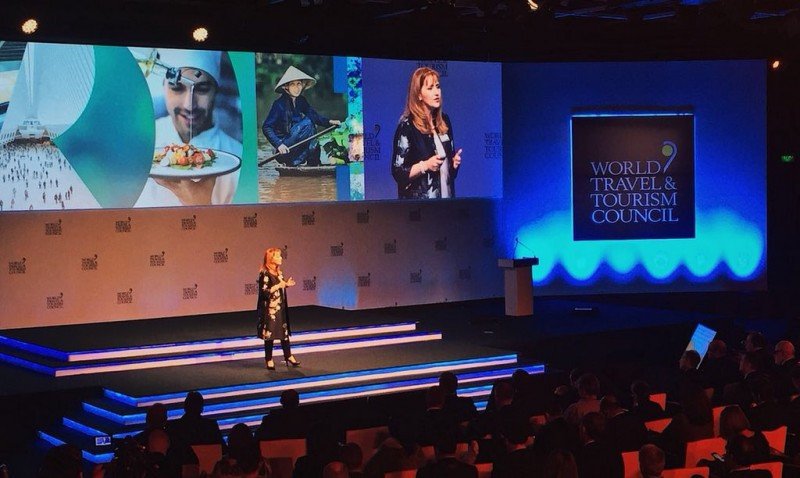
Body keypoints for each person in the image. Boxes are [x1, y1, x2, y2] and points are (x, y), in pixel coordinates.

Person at [135, 48, 242, 207]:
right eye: (177, 88)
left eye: (202, 89)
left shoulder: (238, 156)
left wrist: (201, 205)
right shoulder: (138, 144)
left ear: (216, 91)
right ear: (163, 87)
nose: (189, 105)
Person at [391, 67, 462, 199]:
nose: (436, 93)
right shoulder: (407, 126)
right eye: (430, 88)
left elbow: (449, 174)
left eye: (438, 87)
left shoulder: (444, 121)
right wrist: (426, 165)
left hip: (447, 203)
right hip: (421, 208)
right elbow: (398, 172)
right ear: (419, 95)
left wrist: (453, 164)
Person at [262, 65, 341, 167]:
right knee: (308, 122)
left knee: (312, 126)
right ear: (286, 87)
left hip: (296, 142)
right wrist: (279, 144)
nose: (297, 88)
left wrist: (329, 122)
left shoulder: (301, 101)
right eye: (293, 84)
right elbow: (266, 127)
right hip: (284, 148)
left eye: (299, 84)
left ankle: (313, 162)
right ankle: (294, 162)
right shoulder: (279, 105)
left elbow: (315, 116)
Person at [257, 247, 300, 370]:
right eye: (278, 256)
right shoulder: (265, 273)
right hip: (270, 309)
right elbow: (264, 292)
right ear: (271, 259)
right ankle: (269, 359)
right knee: (270, 333)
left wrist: (286, 285)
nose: (281, 258)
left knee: (284, 332)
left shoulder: (279, 272)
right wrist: (279, 285)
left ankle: (288, 355)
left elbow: (279, 286)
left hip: (280, 307)